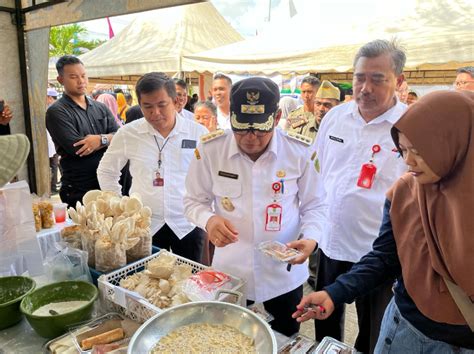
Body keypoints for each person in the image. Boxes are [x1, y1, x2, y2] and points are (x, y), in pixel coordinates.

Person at [294, 90, 474, 353]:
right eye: (402, 150)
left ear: (454, 144)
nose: (408, 162)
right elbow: (386, 257)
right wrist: (335, 293)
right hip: (401, 329)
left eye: (420, 151)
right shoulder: (405, 192)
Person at [184, 77, 327, 336]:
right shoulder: (210, 149)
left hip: (283, 277)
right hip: (231, 275)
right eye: (241, 128)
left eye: (260, 129)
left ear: (277, 116)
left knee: (284, 339)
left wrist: (312, 238)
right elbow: (193, 200)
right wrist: (210, 220)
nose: (250, 138)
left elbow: (316, 205)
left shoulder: (299, 151)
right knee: (228, 341)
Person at [310, 39, 408, 353]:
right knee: (323, 317)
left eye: (377, 79)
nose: (365, 88)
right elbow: (317, 173)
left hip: (378, 253)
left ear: (399, 81)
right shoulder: (335, 118)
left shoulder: (410, 126)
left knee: (372, 332)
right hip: (332, 239)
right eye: (359, 78)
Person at [97, 72, 208, 262]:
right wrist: (121, 207)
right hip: (145, 226)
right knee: (146, 283)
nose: (155, 113)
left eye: (162, 105)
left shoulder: (197, 133)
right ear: (139, 105)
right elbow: (106, 171)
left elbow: (209, 176)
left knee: (192, 281)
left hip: (187, 222)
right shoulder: (128, 134)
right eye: (147, 107)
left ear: (175, 101)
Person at [46, 55, 118, 208]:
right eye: (73, 77)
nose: (81, 81)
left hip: (108, 183)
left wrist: (100, 139)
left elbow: (120, 136)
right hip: (80, 187)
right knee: (86, 230)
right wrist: (108, 139)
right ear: (61, 80)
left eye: (83, 76)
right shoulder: (57, 111)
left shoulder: (100, 107)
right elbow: (78, 148)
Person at [286, 76, 321, 143]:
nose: (306, 95)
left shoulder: (321, 117)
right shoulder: (293, 115)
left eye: (310, 92)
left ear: (318, 93)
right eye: (303, 92)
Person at [46, 88, 60, 193]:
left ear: (50, 98)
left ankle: (53, 187)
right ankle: (53, 186)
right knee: (55, 164)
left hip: (53, 142)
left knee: (54, 165)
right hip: (53, 142)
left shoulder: (52, 109)